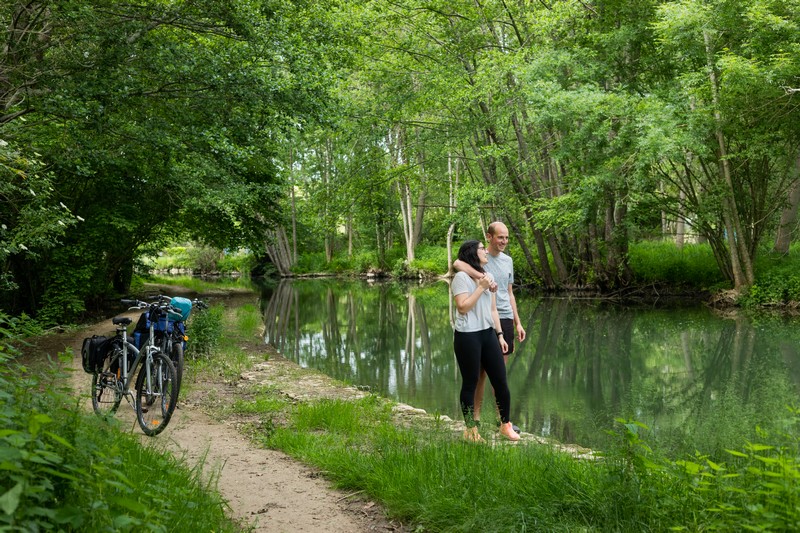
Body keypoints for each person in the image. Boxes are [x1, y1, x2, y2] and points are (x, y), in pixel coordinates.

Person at [454, 221, 526, 431]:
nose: (504, 241)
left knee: (499, 373)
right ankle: (474, 420)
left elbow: (510, 292)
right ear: (489, 237)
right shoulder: (476, 263)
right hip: (478, 323)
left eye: (506, 237)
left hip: (502, 318)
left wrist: (517, 322)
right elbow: (458, 264)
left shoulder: (508, 261)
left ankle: (502, 421)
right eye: (500, 237)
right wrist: (483, 279)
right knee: (477, 375)